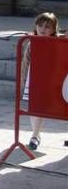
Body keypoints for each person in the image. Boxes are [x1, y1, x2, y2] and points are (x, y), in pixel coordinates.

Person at [23, 13, 60, 150]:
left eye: (47, 26)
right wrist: (22, 81)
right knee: (36, 108)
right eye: (40, 25)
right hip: (36, 81)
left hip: (55, 82)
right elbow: (25, 64)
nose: (43, 29)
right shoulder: (31, 43)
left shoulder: (59, 43)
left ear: (54, 30)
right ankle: (35, 135)